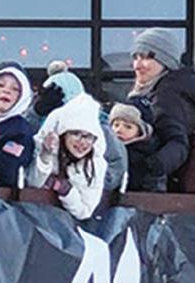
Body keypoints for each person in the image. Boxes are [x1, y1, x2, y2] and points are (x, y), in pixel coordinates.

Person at [126, 27, 195, 190]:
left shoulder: (166, 96)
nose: (137, 65)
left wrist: (148, 170)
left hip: (158, 189)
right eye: (136, 57)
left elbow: (178, 143)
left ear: (165, 60)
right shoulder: (164, 89)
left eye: (147, 57)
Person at [35, 65, 128, 196]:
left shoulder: (99, 129)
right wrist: (35, 113)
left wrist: (83, 181)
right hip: (40, 199)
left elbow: (116, 168)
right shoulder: (42, 125)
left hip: (89, 200)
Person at [27, 94, 109, 221]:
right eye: (76, 134)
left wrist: (66, 190)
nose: (82, 142)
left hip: (67, 226)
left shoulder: (95, 164)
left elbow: (85, 210)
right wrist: (45, 156)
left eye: (88, 136)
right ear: (63, 134)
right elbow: (32, 184)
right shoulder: (44, 147)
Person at [110, 100, 163, 193]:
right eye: (116, 125)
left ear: (141, 132)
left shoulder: (147, 157)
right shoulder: (104, 151)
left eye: (128, 127)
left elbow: (153, 190)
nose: (119, 130)